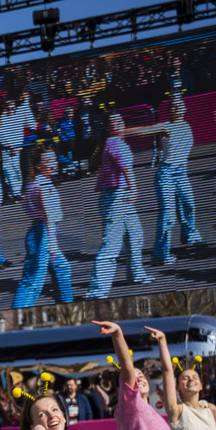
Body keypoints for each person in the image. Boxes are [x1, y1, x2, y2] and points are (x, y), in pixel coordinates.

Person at [86, 115, 153, 299]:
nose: (118, 124)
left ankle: (136, 275)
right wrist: (134, 188)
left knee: (135, 234)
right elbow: (126, 168)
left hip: (117, 196)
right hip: (116, 197)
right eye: (113, 122)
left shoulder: (110, 142)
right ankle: (97, 290)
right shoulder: (115, 143)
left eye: (120, 121)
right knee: (112, 245)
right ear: (107, 127)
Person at [151, 98, 202, 265]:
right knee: (168, 215)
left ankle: (190, 235)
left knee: (188, 205)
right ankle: (161, 253)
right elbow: (147, 130)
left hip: (181, 173)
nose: (176, 108)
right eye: (172, 106)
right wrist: (124, 132)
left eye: (179, 105)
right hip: (166, 173)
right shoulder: (166, 126)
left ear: (185, 108)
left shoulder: (186, 126)